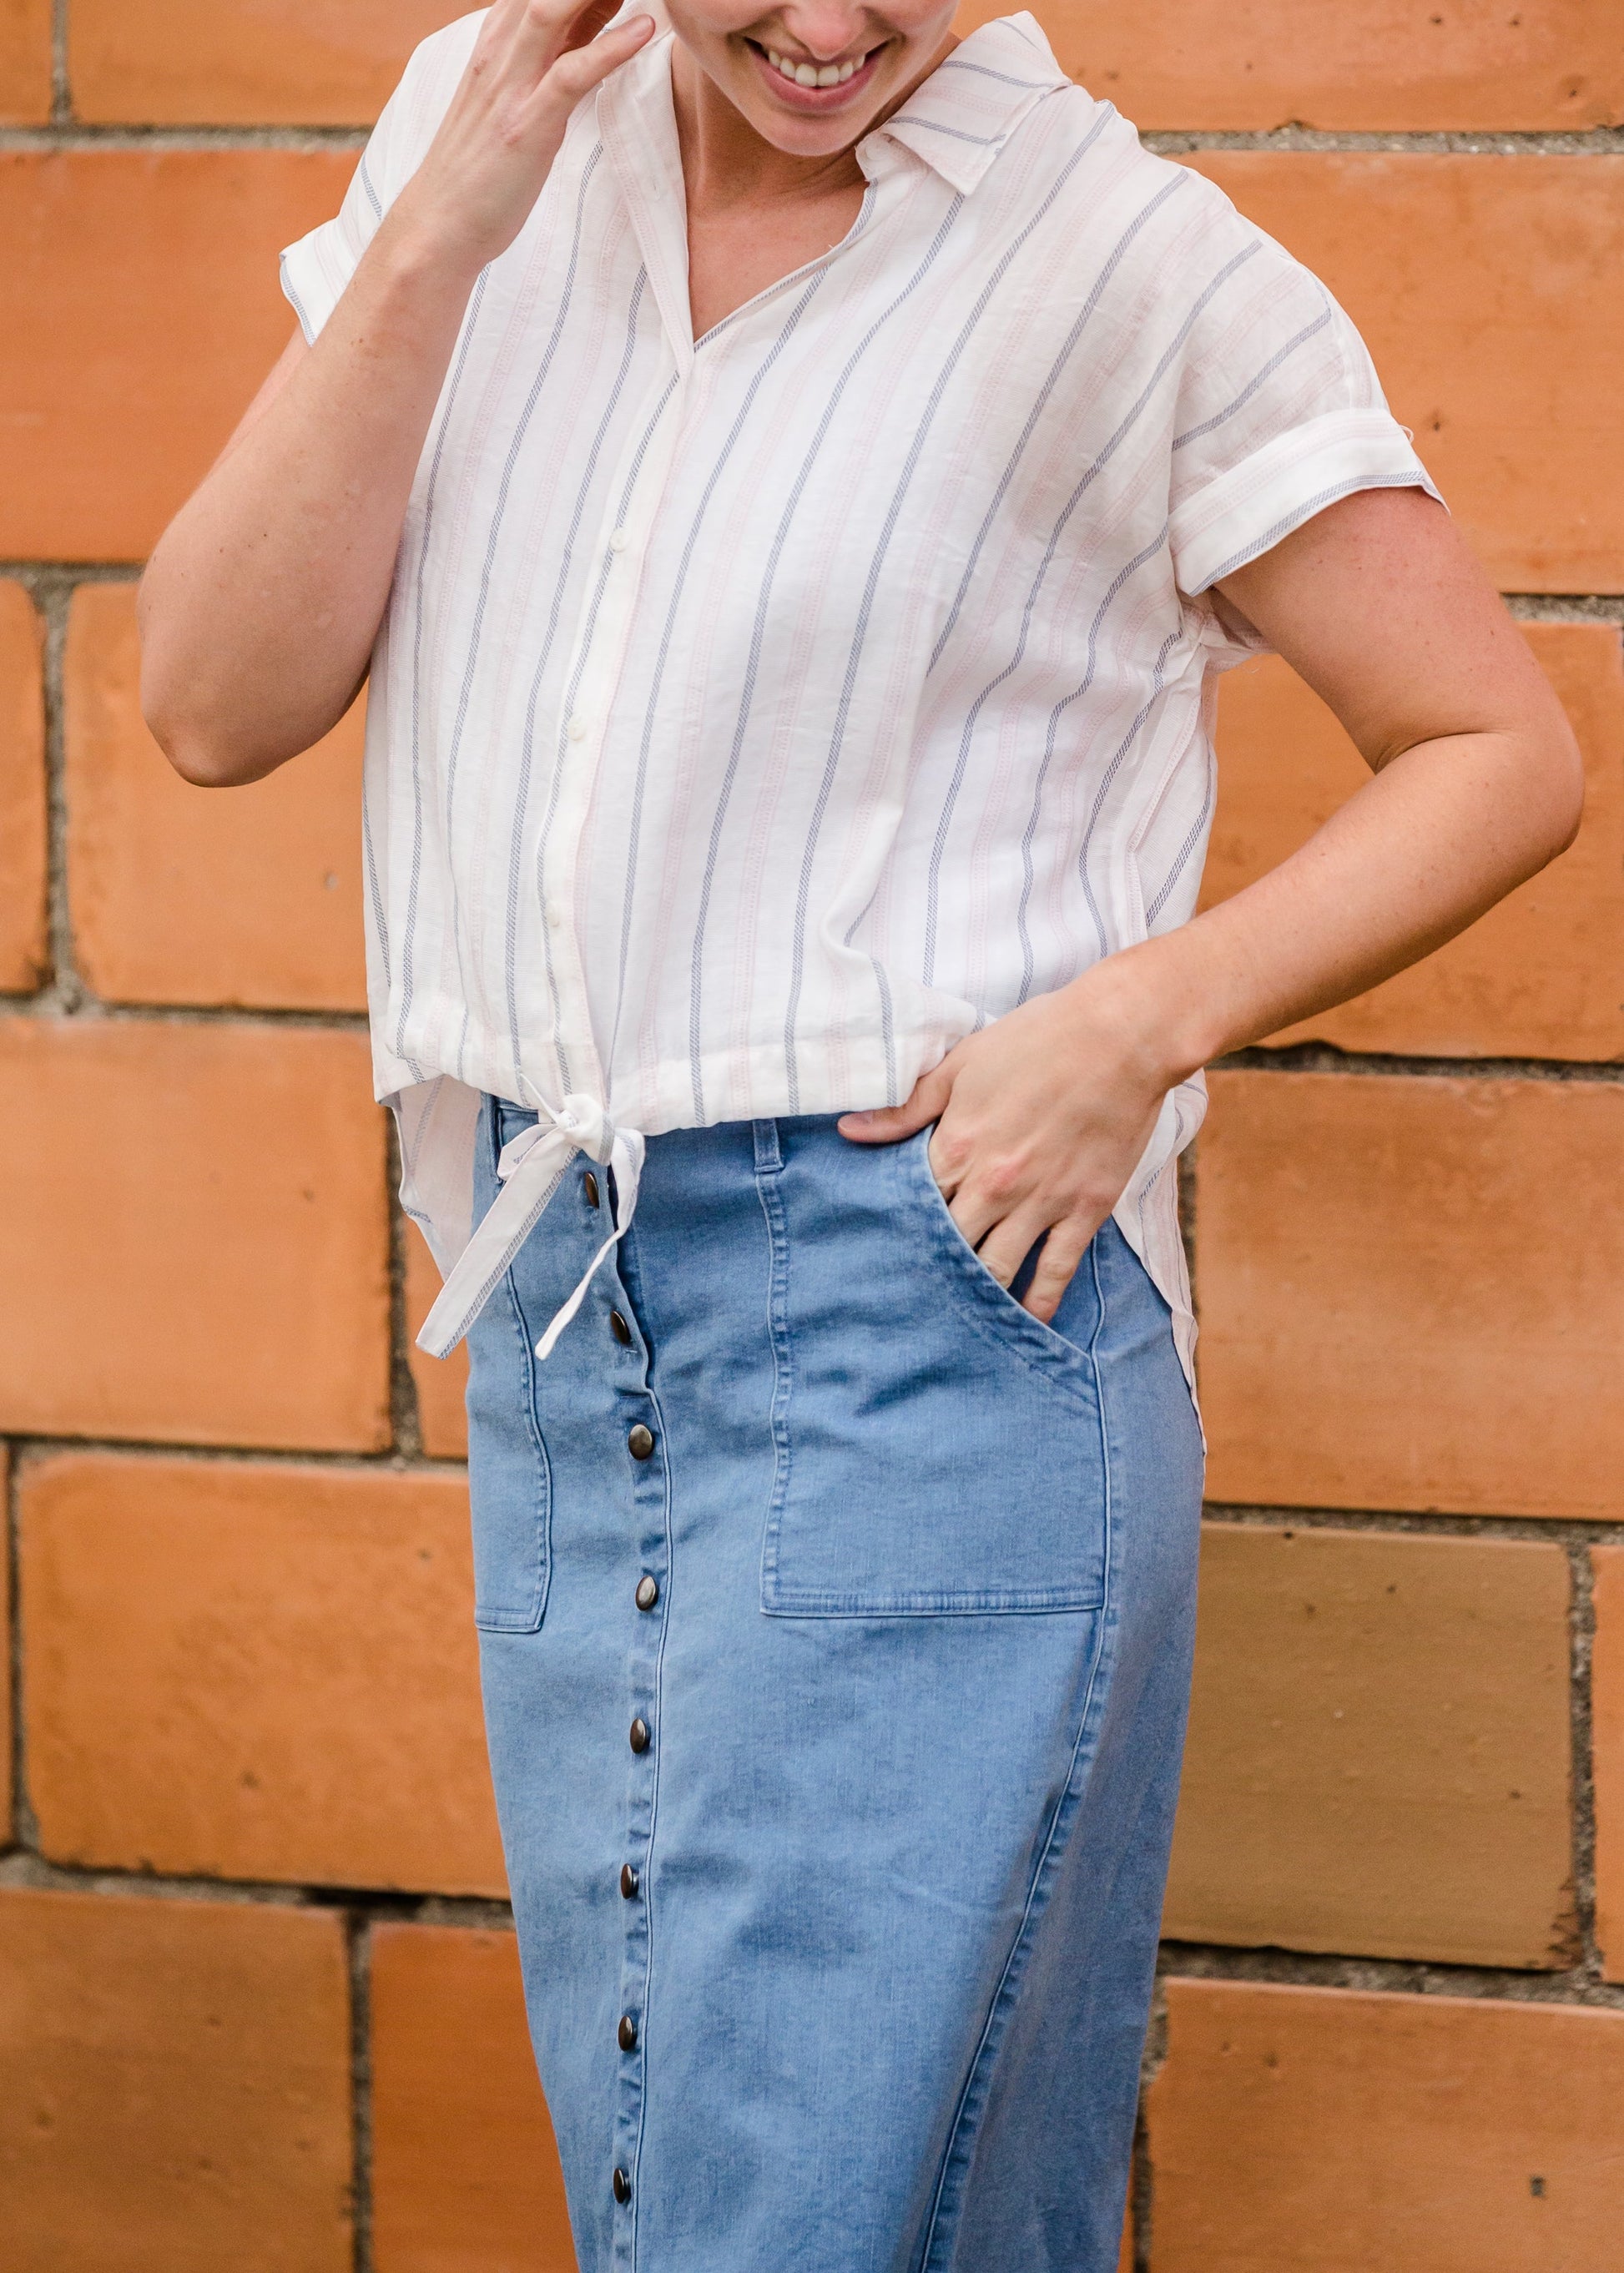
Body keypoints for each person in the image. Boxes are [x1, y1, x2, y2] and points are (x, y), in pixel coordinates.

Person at [138, 3, 1581, 2265]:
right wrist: (441, 238)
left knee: (775, 2223)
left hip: (916, 1321)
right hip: (568, 1325)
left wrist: (1137, 1018)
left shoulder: (1128, 264)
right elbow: (213, 702)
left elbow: (1495, 743)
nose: (820, 26)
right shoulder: (479, 128)